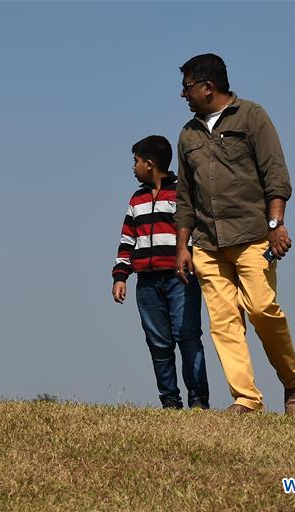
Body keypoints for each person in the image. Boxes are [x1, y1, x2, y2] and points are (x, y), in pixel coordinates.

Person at [172, 53, 295, 414]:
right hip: (207, 244)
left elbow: (275, 174)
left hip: (252, 236)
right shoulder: (187, 135)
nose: (182, 95)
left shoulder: (252, 117)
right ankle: (247, 399)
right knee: (224, 322)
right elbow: (185, 196)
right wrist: (182, 246)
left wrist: (276, 225)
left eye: (186, 88)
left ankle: (293, 382)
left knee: (263, 309)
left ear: (207, 87)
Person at [112, 135, 209, 410]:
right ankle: (169, 401)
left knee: (188, 336)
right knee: (158, 343)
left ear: (150, 164)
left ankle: (199, 400)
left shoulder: (182, 193)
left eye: (136, 161)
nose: (133, 167)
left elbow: (195, 232)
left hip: (181, 279)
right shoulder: (137, 199)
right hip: (147, 283)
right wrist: (121, 276)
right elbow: (127, 240)